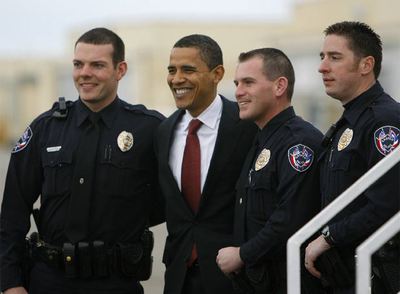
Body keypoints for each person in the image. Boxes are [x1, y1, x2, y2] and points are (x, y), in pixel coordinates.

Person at [0, 27, 165, 294]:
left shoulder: (149, 129)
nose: (84, 73)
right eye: (78, 64)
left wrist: (129, 222)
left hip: (116, 282)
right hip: (49, 281)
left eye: (97, 65)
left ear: (120, 70)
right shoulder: (45, 129)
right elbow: (12, 211)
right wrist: (10, 283)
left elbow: (173, 200)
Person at [216, 48, 325, 293]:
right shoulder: (261, 140)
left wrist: (242, 254)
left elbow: (291, 219)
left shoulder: (299, 143)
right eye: (236, 83)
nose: (238, 92)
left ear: (279, 86)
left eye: (248, 83)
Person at [155, 34, 257, 294]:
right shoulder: (164, 132)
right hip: (179, 278)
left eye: (188, 70)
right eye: (172, 70)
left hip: (235, 277)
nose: (177, 79)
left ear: (217, 73)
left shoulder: (248, 126)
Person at [304, 21, 400, 294]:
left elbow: (389, 203)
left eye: (335, 58)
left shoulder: (385, 121)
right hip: (344, 275)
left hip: (375, 276)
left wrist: (330, 237)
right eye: (322, 57)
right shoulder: (349, 123)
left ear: (365, 65)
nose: (323, 67)